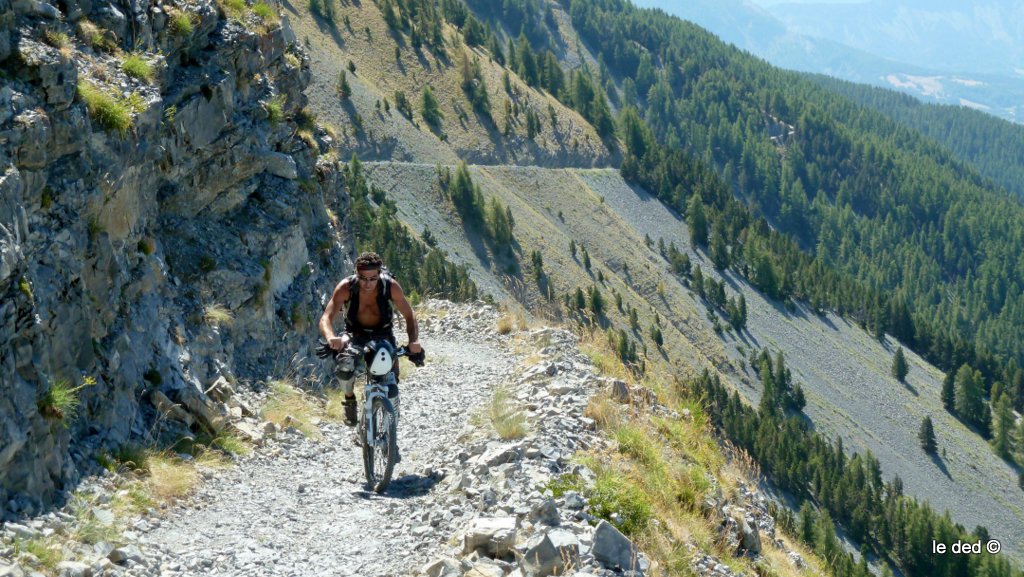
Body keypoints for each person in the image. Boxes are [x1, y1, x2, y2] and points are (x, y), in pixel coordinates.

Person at [319, 251, 425, 426]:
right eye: (363, 278)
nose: (368, 284)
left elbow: (409, 315)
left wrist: (413, 341)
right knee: (344, 365)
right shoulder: (346, 287)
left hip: (383, 334)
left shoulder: (390, 286)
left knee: (391, 380)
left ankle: (390, 421)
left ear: (380, 274)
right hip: (354, 334)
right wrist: (331, 338)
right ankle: (350, 401)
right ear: (356, 273)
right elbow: (326, 318)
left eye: (373, 278)